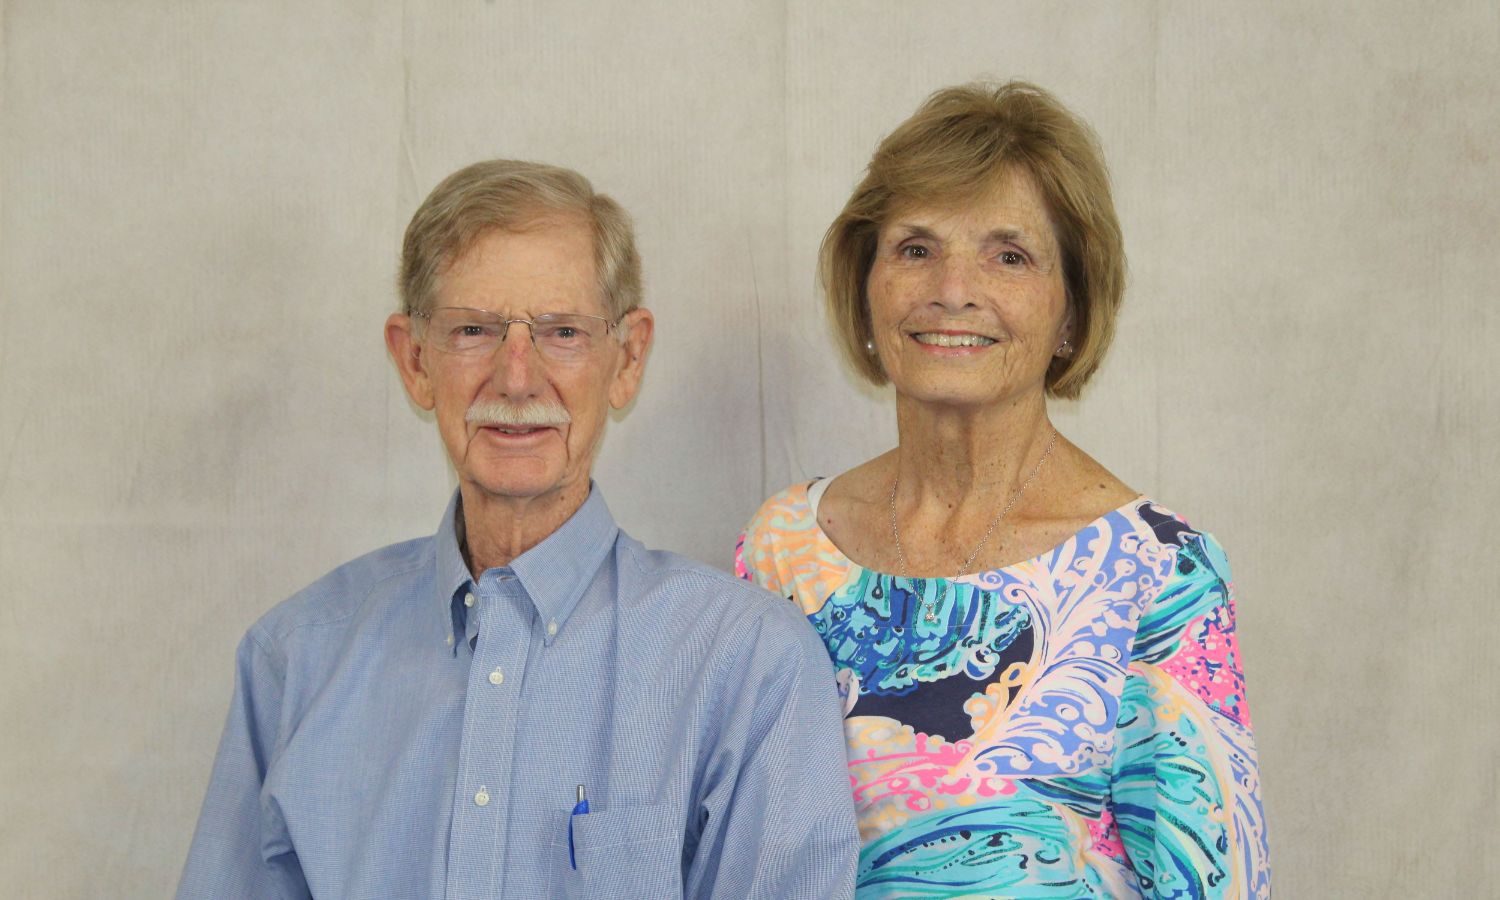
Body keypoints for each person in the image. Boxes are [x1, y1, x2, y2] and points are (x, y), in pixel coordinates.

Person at [178, 159, 859, 899]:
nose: (516, 377)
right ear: (415, 360)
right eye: (473, 330)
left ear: (627, 358)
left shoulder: (747, 665)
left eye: (562, 332)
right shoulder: (295, 661)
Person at [738, 83, 1270, 898]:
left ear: (1071, 313)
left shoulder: (1159, 574)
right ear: (866, 287)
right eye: (916, 249)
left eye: (1008, 256)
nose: (953, 289)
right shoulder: (781, 551)